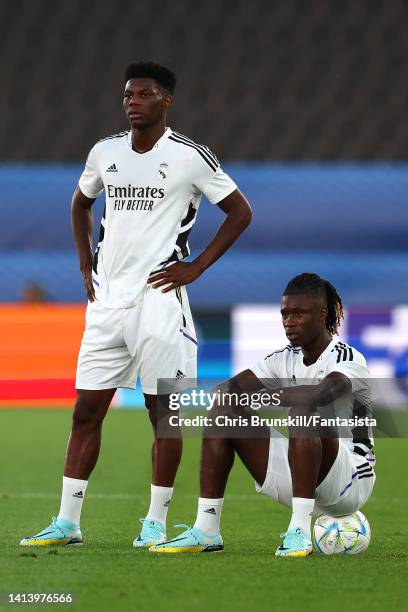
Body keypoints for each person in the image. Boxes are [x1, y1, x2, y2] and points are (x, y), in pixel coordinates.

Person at [20, 61, 252, 547]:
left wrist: (197, 266)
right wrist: (86, 264)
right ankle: (67, 522)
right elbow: (80, 202)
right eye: (128, 94)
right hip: (108, 302)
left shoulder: (190, 157)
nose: (132, 102)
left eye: (144, 94)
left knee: (162, 413)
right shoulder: (105, 153)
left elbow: (239, 211)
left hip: (161, 300)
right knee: (86, 410)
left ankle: (156, 522)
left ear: (166, 101)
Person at [150, 273, 376, 556]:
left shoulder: (347, 358)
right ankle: (206, 529)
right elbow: (225, 391)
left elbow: (320, 395)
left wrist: (260, 398)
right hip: (300, 472)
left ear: (322, 314)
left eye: (298, 313)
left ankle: (299, 531)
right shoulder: (282, 359)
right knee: (224, 409)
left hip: (349, 482)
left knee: (306, 408)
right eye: (285, 313)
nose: (289, 321)